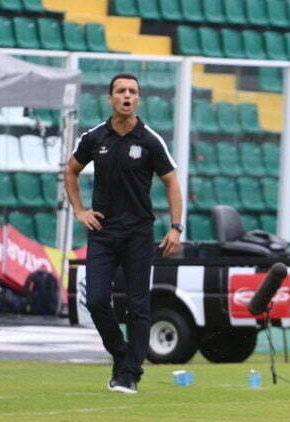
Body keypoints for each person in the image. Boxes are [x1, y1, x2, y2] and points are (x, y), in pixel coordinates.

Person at [64, 73, 183, 394]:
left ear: (138, 99)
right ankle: (121, 353)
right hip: (103, 232)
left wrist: (176, 227)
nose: (126, 96)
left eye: (132, 91)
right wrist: (80, 211)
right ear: (111, 98)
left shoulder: (150, 140)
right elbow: (71, 170)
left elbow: (172, 182)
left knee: (138, 305)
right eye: (121, 91)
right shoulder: (94, 137)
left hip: (138, 234)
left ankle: (129, 374)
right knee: (96, 299)